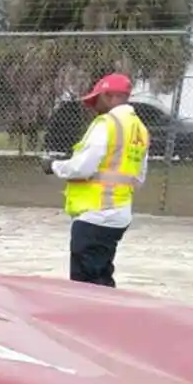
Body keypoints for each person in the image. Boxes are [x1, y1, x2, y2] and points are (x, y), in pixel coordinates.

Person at [49, 72, 151, 286]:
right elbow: (139, 177)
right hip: (119, 213)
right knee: (101, 275)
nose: (95, 106)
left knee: (86, 283)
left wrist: (54, 166)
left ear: (111, 96)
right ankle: (109, 316)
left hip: (95, 214)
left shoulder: (107, 124)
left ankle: (93, 319)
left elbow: (82, 167)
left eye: (98, 99)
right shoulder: (140, 130)